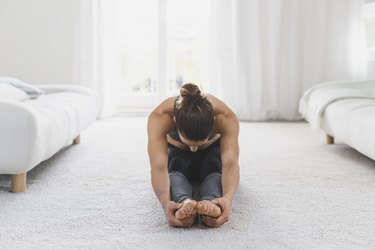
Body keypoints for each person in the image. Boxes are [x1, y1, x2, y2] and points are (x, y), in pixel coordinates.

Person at [147, 83, 240, 228]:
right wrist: (166, 204)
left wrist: (227, 199)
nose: (194, 149)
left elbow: (230, 163)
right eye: (188, 143)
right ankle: (183, 202)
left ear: (213, 122)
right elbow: (158, 167)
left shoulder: (226, 117)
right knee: (174, 171)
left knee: (215, 170)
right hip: (178, 153)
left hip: (211, 151)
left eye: (199, 144)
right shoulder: (160, 117)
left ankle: (210, 202)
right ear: (175, 121)